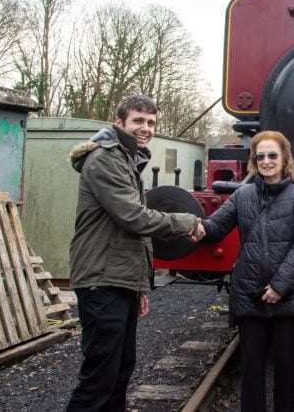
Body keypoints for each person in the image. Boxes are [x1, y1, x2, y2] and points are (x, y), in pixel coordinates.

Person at [66, 94, 203, 411]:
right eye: (138, 121)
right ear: (119, 123)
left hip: (118, 279)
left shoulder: (126, 160)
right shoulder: (105, 159)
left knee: (120, 371)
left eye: (151, 122)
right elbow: (133, 217)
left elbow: (132, 235)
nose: (145, 128)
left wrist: (139, 286)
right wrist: (184, 222)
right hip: (102, 279)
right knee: (99, 377)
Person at [200, 130, 294, 412]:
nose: (266, 161)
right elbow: (215, 227)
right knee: (251, 369)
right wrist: (190, 226)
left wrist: (279, 286)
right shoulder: (242, 196)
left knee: (287, 368)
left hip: (287, 296)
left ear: (284, 158)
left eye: (272, 155)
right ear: (254, 161)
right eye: (260, 156)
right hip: (250, 294)